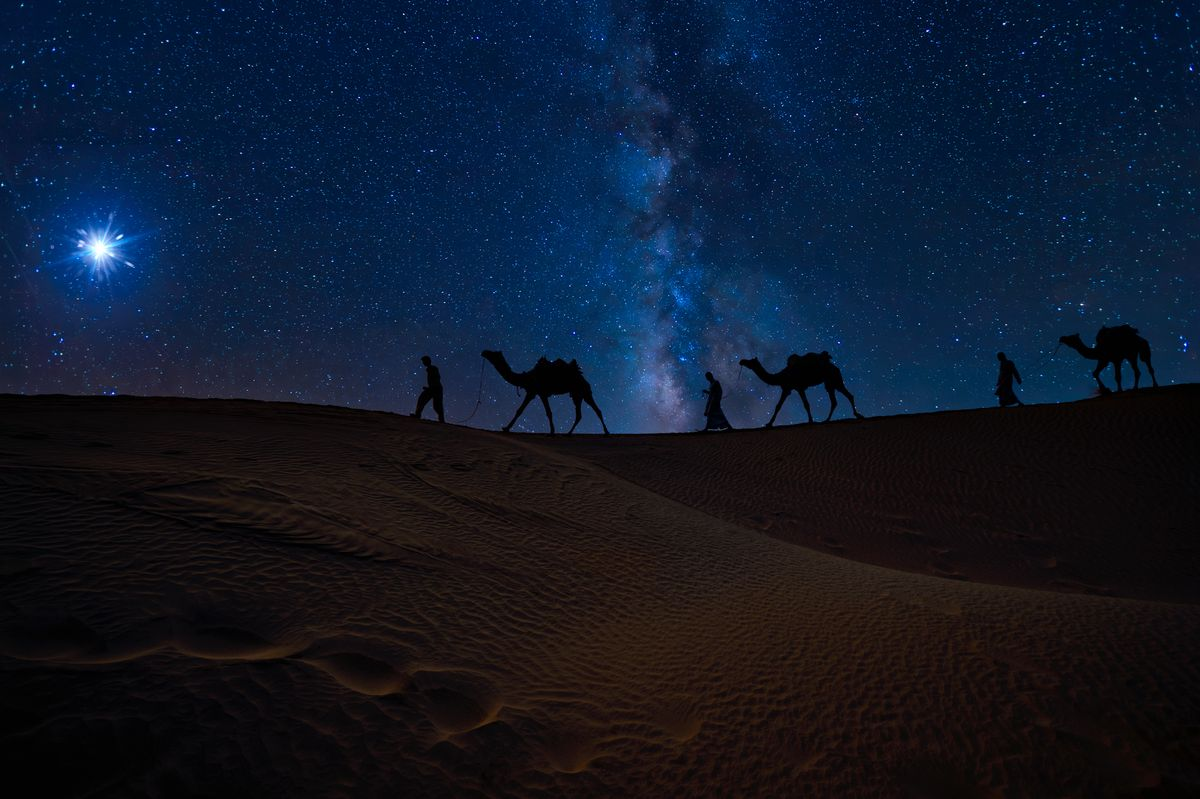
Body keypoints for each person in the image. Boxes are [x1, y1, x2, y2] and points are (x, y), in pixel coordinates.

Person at [413, 355, 445, 422]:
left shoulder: (432, 368)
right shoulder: (430, 369)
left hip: (436, 389)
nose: (423, 363)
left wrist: (431, 388)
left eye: (424, 361)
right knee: (422, 399)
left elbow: (436, 378)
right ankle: (417, 415)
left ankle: (441, 419)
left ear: (428, 361)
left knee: (436, 405)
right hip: (433, 388)